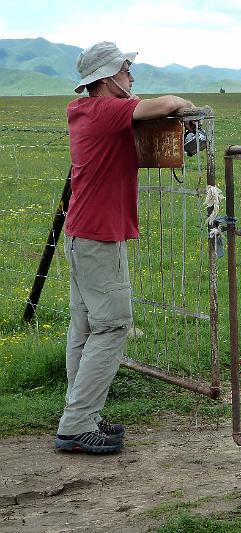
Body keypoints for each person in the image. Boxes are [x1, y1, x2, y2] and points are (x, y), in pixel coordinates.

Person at [55, 41, 195, 453]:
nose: (132, 75)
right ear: (106, 76)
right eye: (126, 68)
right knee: (113, 324)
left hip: (83, 233)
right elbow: (166, 101)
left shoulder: (85, 112)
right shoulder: (105, 111)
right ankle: (77, 422)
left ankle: (80, 413)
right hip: (99, 236)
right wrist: (186, 107)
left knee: (84, 325)